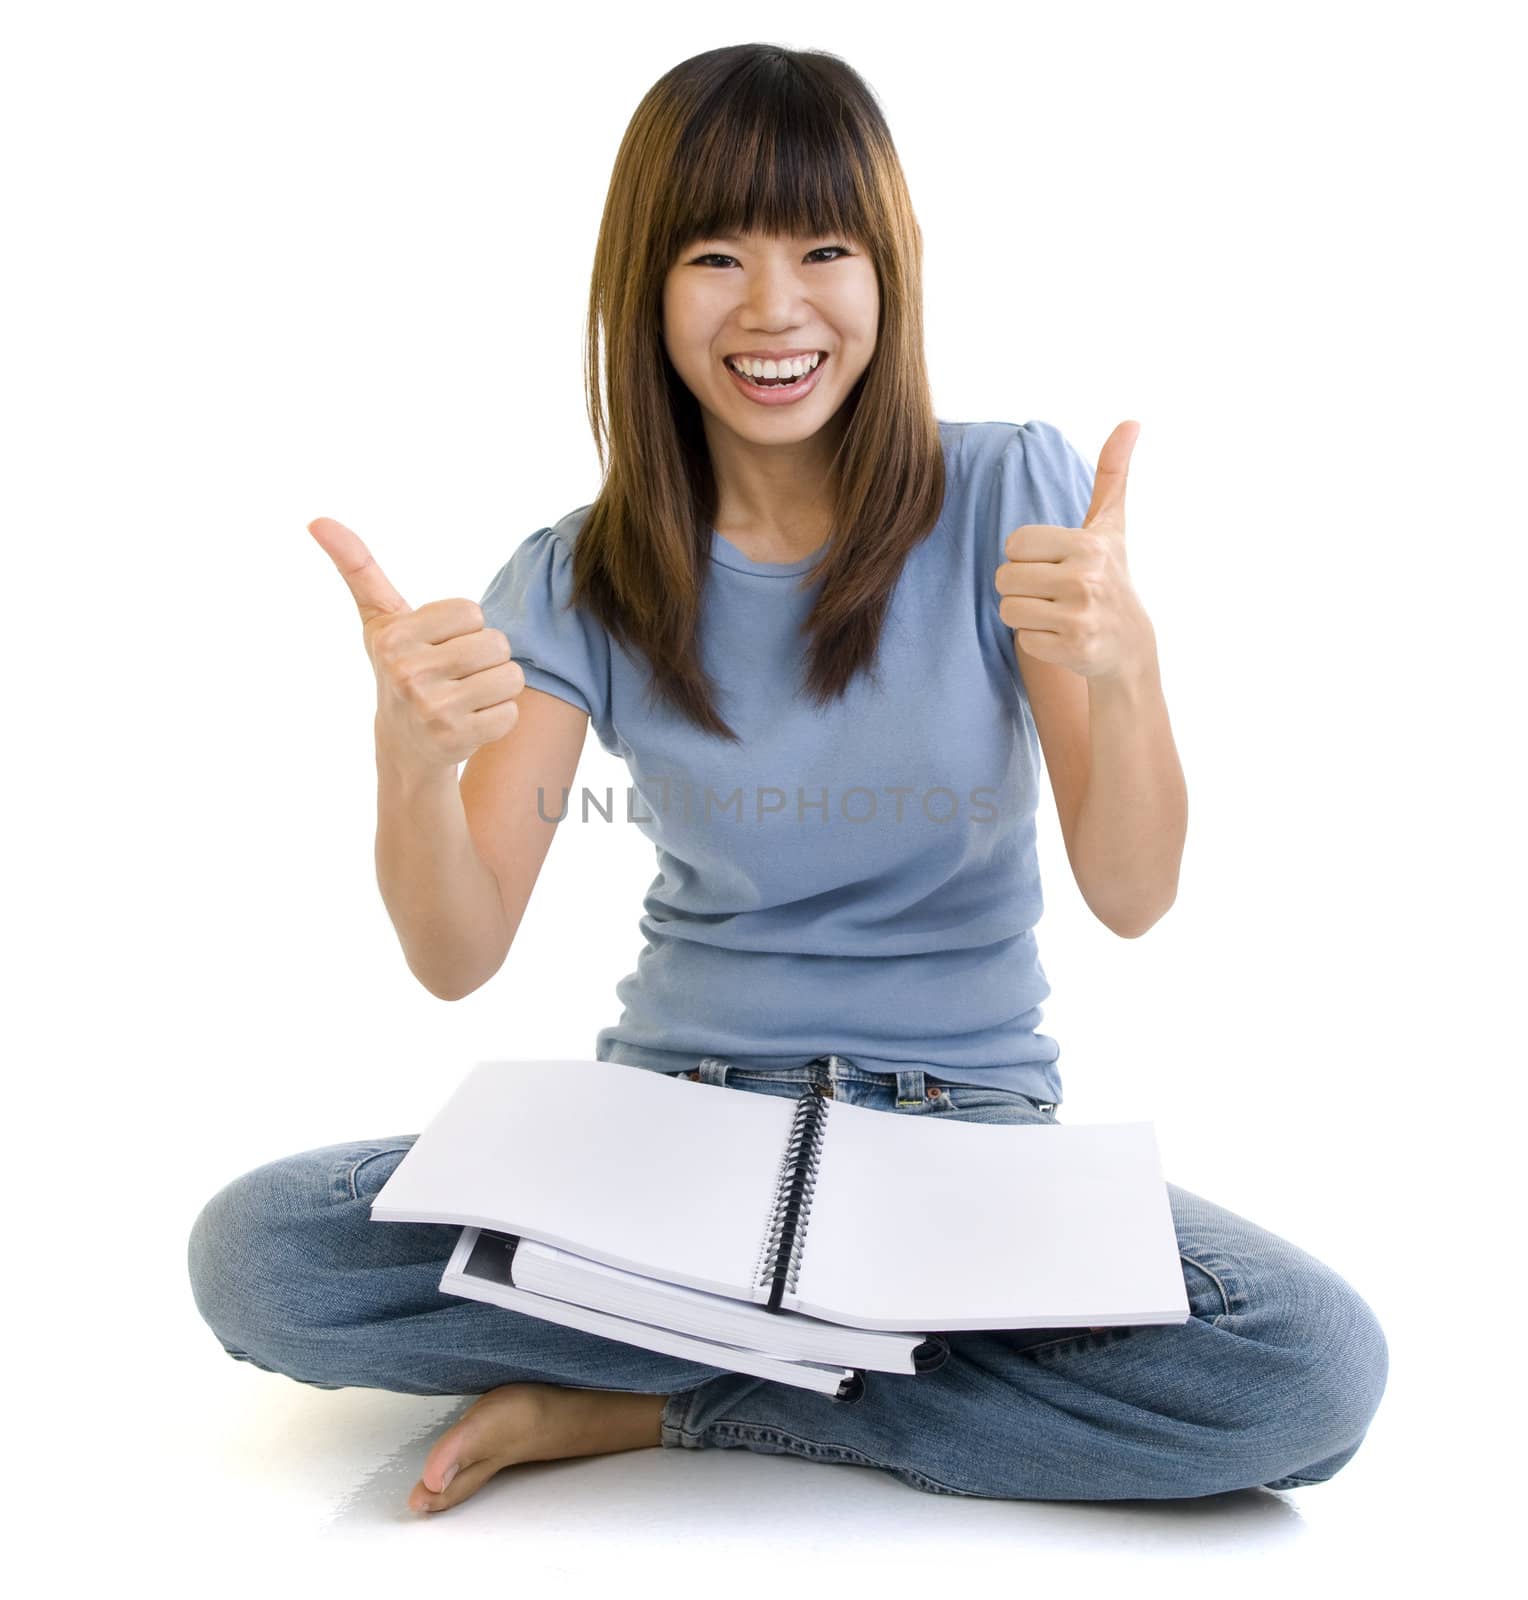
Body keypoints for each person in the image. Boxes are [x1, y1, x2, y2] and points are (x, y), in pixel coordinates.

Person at [186, 42, 1388, 1514]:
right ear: (646, 287)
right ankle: (817, 1354)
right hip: (664, 1140)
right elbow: (459, 949)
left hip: (959, 1137)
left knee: (1306, 1367)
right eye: (715, 255)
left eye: (825, 247)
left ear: (889, 275)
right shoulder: (576, 577)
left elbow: (1133, 894)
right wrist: (409, 763)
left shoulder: (1013, 491)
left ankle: (667, 1396)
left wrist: (1129, 673)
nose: (776, 308)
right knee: (259, 1253)